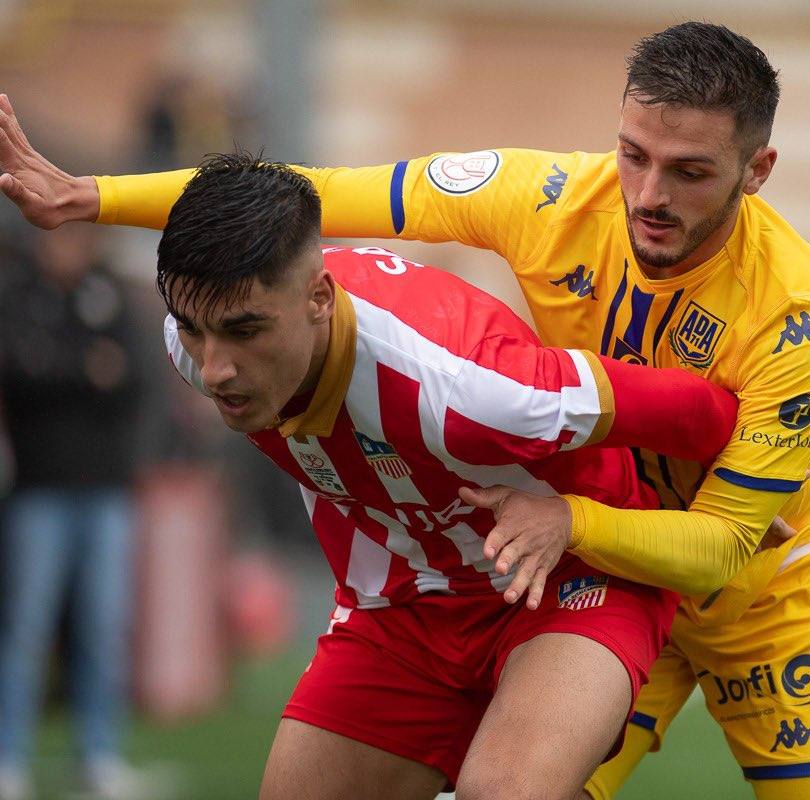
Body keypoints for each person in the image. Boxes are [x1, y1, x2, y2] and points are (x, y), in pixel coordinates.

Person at [0, 21, 810, 799]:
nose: (648, 196)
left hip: (756, 589)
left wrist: (567, 520)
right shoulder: (546, 199)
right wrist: (92, 198)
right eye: (633, 154)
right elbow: (318, 194)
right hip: (591, 551)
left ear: (757, 170)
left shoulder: (803, 316)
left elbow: (725, 545)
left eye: (690, 172)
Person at [2, 149, 740, 800]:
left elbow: (700, 411)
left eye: (246, 330)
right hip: (404, 608)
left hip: (571, 577)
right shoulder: (195, 347)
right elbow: (213, 333)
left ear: (319, 301)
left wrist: (751, 488)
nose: (217, 367)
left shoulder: (469, 385)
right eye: (194, 329)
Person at [0, 225, 155, 800]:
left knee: (104, 626)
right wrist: (86, 369)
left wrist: (68, 370)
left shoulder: (108, 294)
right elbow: (22, 372)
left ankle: (99, 754)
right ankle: (9, 756)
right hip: (39, 489)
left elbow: (134, 374)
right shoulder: (18, 296)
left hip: (107, 490)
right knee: (26, 627)